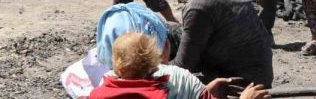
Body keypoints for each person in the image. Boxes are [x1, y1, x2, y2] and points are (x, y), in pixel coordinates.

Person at [91, 32, 270, 99]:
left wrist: (205, 91)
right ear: (154, 65)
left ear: (117, 68)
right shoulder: (162, 91)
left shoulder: (98, 93)